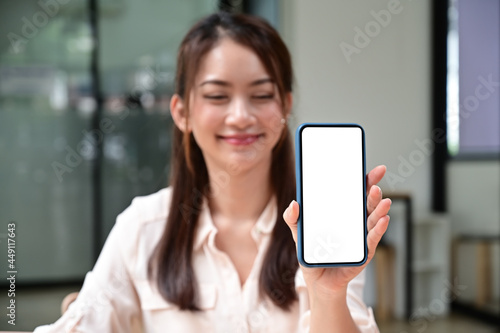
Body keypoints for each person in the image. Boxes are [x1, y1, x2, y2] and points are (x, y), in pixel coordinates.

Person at [34, 11, 391, 333]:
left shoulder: (319, 228)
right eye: (217, 96)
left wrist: (328, 293)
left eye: (262, 95)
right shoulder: (142, 228)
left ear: (285, 106)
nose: (240, 116)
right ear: (181, 112)